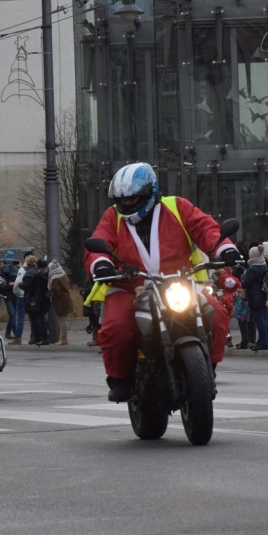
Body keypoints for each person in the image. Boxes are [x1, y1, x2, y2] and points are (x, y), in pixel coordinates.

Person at [85, 162, 238, 401]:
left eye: (133, 198)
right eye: (122, 199)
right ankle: (120, 378)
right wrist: (101, 263)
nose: (126, 203)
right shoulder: (112, 217)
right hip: (130, 287)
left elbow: (205, 228)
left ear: (150, 193)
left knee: (217, 312)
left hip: (180, 282)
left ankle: (209, 369)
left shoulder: (177, 207)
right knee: (116, 328)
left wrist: (224, 248)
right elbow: (99, 241)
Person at [241, 244, 268, 350]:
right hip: (263, 295)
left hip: (255, 297)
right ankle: (266, 341)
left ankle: (263, 342)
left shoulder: (252, 269)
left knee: (259, 320)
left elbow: (245, 283)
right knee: (264, 319)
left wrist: (243, 275)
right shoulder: (264, 266)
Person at [22, 256, 51, 345]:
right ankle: (44, 337)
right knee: (42, 318)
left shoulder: (37, 275)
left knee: (38, 319)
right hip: (46, 298)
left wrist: (20, 285)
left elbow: (31, 288)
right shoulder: (48, 274)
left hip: (38, 299)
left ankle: (41, 337)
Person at [47, 260, 74, 345]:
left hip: (60, 300)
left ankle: (63, 339)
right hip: (66, 298)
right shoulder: (63, 274)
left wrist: (52, 299)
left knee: (62, 320)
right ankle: (62, 338)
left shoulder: (55, 277)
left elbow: (55, 291)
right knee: (63, 319)